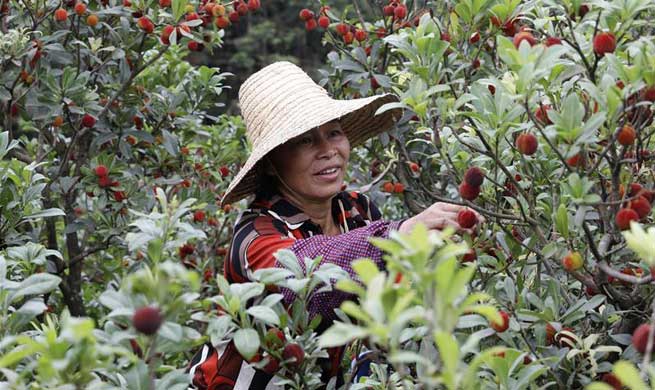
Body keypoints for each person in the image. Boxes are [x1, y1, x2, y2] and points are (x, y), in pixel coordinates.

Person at [188, 61, 483, 389]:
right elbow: (304, 282)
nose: (328, 150)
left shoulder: (356, 210)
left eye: (334, 132)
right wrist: (399, 236)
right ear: (271, 163)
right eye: (304, 140)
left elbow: (385, 301)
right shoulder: (255, 235)